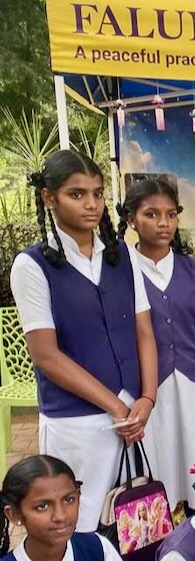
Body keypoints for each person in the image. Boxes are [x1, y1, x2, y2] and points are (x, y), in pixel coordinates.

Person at [9, 149, 158, 532]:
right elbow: (46, 356)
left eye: (97, 192)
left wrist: (147, 398)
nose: (91, 204)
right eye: (77, 194)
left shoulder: (122, 254)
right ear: (49, 198)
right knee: (80, 524)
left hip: (133, 414)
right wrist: (117, 407)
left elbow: (144, 330)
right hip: (78, 423)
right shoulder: (32, 265)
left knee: (134, 520)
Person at [117, 178, 195, 510]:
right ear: (131, 219)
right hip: (148, 395)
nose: (163, 223)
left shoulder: (194, 270)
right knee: (156, 480)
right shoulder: (121, 271)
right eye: (152, 214)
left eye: (170, 215)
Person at [0, 454, 135, 561]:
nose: (61, 516)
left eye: (69, 499)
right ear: (14, 514)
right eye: (42, 506)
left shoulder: (98, 550)